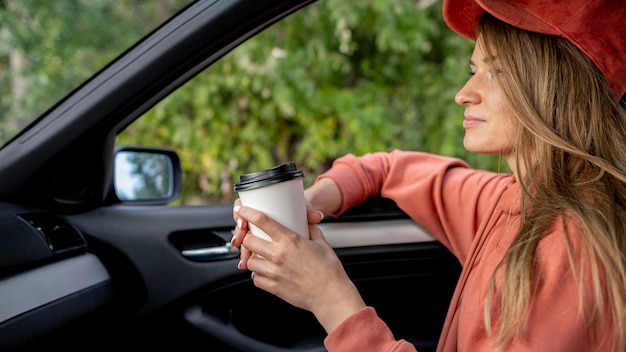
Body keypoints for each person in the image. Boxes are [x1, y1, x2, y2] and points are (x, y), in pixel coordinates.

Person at [231, 0, 626, 350]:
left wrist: (331, 301)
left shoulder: (572, 249)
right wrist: (313, 201)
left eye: (498, 72)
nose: (464, 93)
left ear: (559, 87)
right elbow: (388, 168)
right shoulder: (508, 198)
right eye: (474, 69)